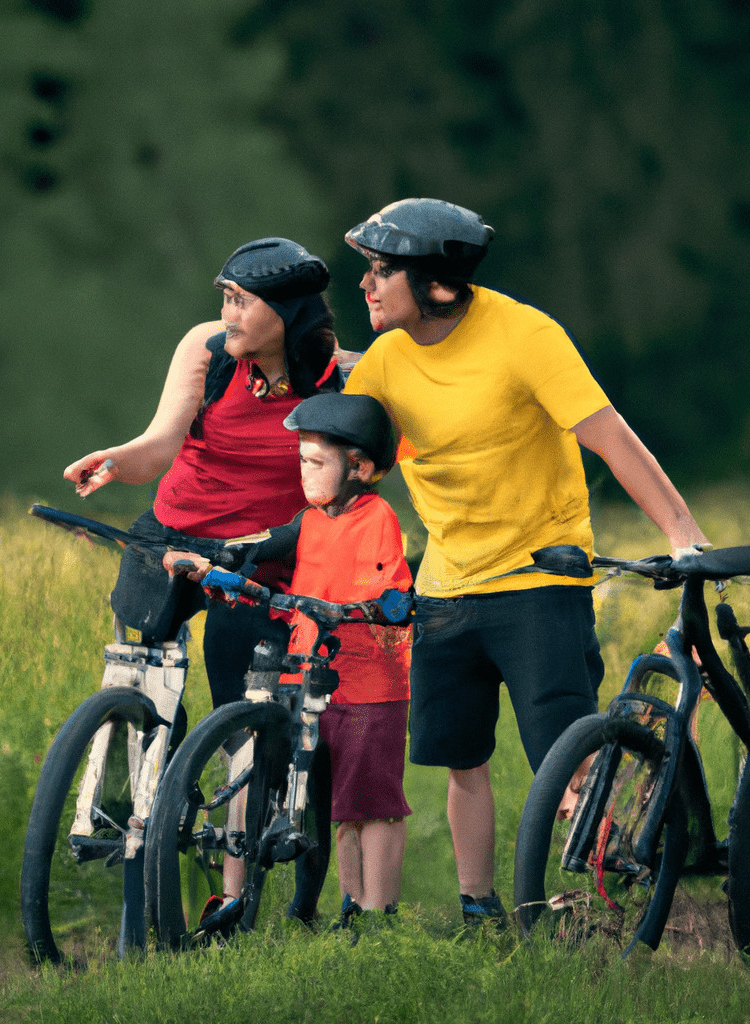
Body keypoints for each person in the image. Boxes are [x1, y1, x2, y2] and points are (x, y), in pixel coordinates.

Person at [340, 197, 710, 927]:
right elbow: (347, 457)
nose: (366, 284)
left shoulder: (526, 335)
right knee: (462, 760)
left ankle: (602, 889)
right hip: (445, 590)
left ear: (437, 284)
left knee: (563, 756)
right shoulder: (383, 361)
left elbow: (611, 437)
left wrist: (683, 534)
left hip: (540, 580)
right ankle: (480, 907)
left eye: (383, 270)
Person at [64, 237, 343, 710]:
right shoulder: (207, 348)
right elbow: (158, 446)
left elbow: (344, 490)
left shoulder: (336, 379)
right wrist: (112, 461)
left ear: (286, 310)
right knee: (138, 671)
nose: (227, 314)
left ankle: (238, 773)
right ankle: (148, 774)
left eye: (240, 300)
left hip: (257, 553)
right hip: (173, 531)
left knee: (238, 690)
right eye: (225, 298)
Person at [169, 392, 414, 926]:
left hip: (370, 687)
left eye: (315, 462)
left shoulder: (378, 518)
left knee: (371, 805)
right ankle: (353, 905)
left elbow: (394, 592)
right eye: (301, 460)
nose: (304, 472)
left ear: (361, 468)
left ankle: (380, 913)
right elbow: (262, 542)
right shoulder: (310, 520)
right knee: (341, 810)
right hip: (312, 679)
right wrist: (214, 558)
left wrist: (369, 608)